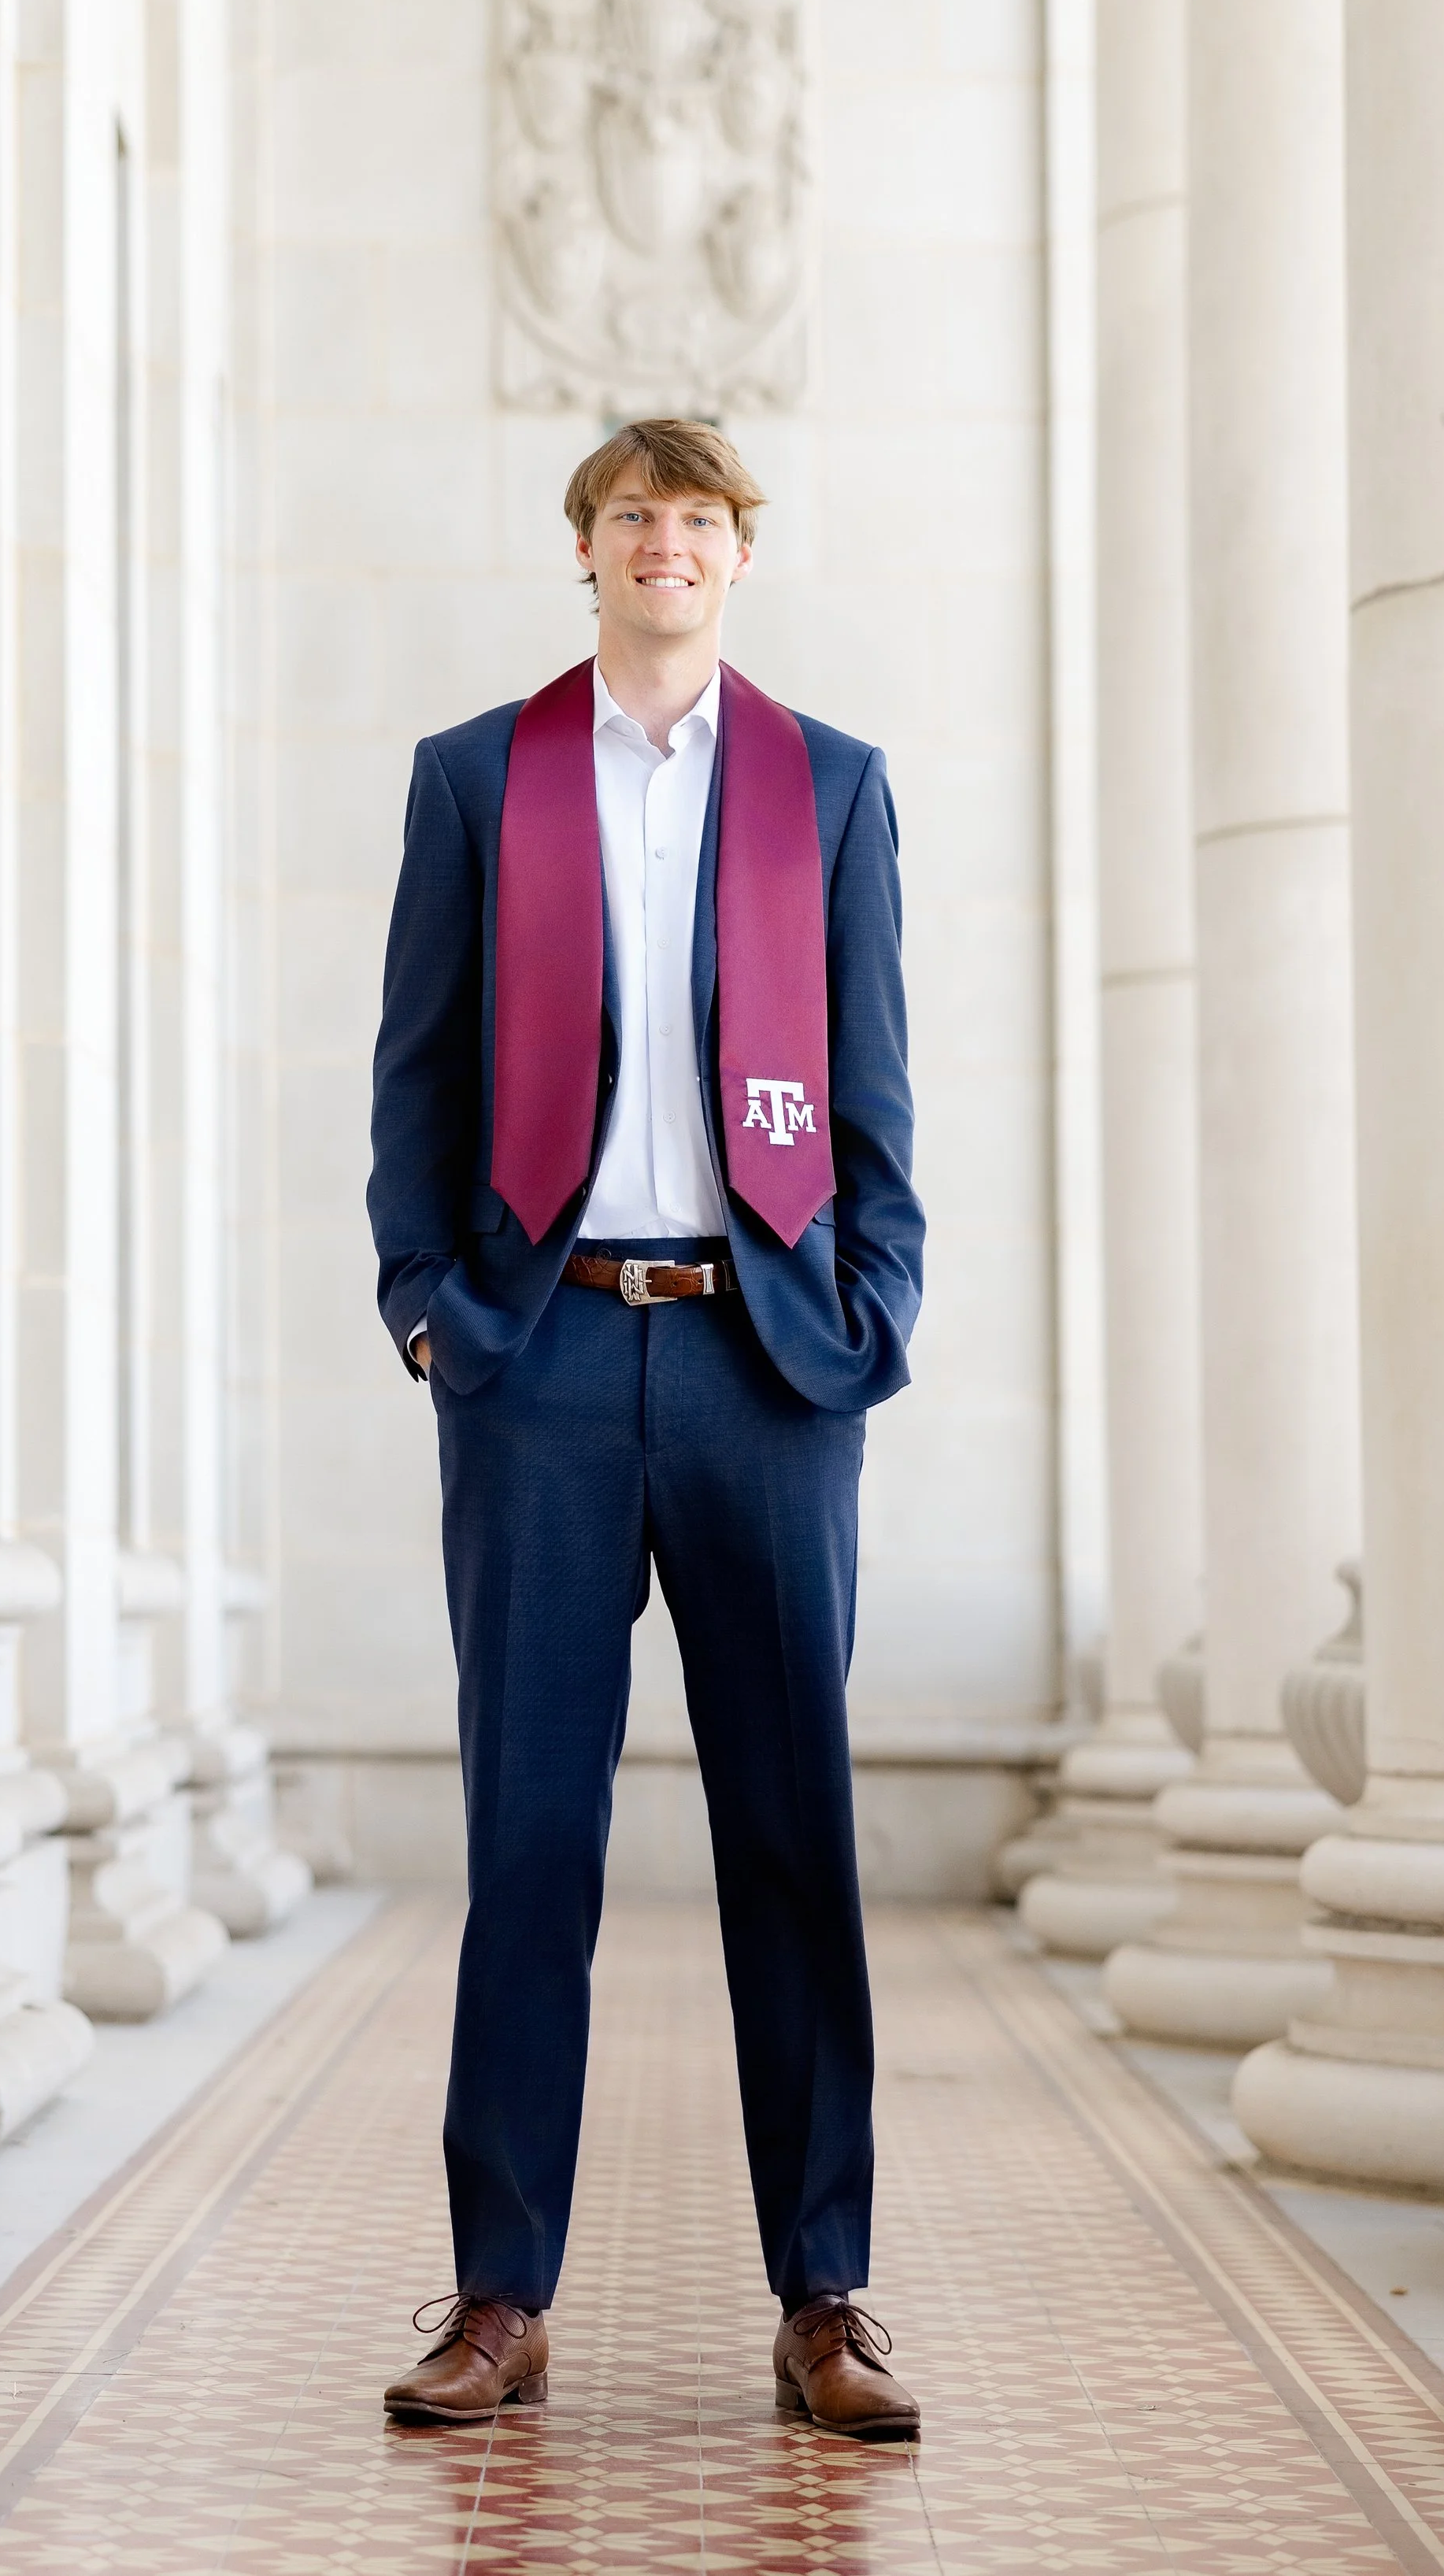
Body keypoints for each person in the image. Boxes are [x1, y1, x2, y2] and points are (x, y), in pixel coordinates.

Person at [367, 417, 925, 2441]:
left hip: (765, 1361)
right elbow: (413, 1072)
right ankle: (499, 2294)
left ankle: (825, 2294)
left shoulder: (827, 788)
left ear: (736, 560)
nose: (662, 546)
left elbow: (874, 1086)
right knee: (530, 1840)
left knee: (794, 1841)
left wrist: (874, 1322)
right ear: (584, 556)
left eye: (696, 521)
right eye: (630, 519)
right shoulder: (477, 782)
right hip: (539, 1361)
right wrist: (428, 1311)